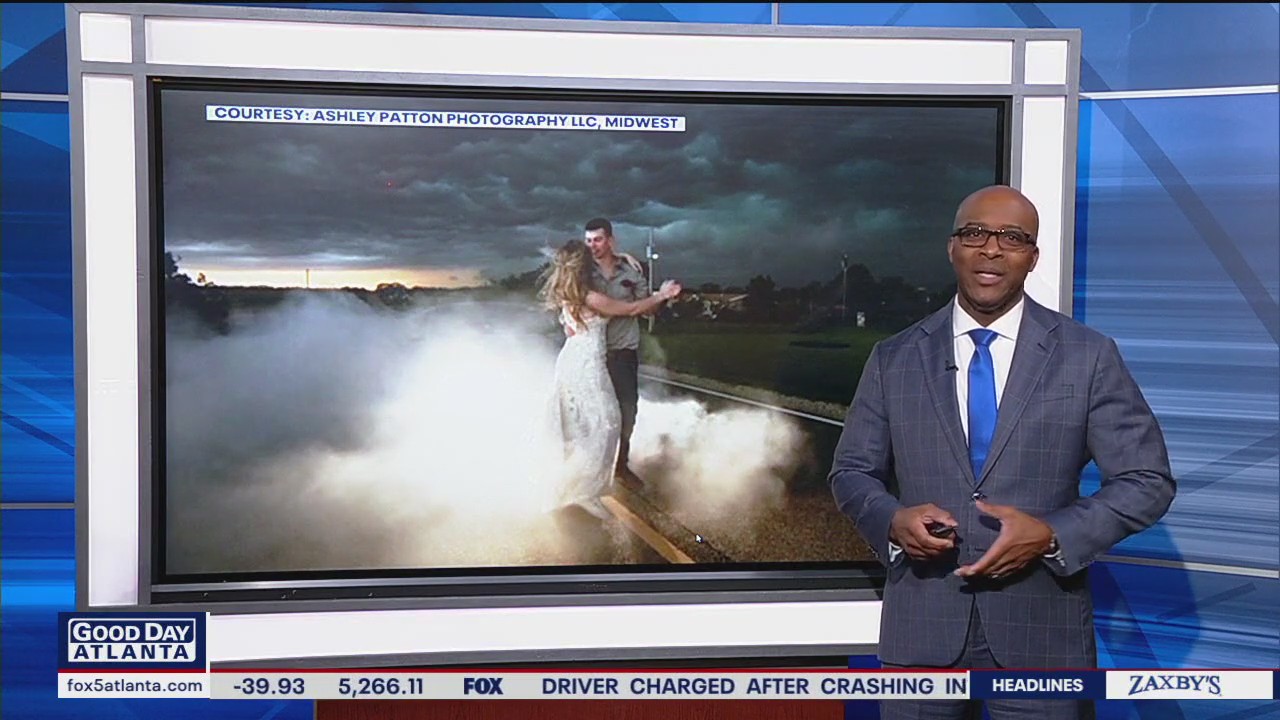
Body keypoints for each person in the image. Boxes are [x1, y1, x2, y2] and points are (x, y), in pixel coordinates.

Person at [828, 185, 1174, 720]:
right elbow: (851, 471)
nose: (991, 249)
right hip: (922, 632)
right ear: (952, 247)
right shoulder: (894, 357)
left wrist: (1054, 534)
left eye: (1012, 238)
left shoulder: (1088, 355)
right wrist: (893, 520)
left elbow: (1147, 479)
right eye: (975, 233)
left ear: (1033, 257)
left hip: (1042, 636)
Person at [540, 239, 680, 520]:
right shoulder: (590, 297)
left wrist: (624, 257)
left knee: (587, 425)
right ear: (583, 266)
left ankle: (581, 490)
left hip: (574, 360)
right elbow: (629, 310)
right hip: (586, 365)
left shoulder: (571, 292)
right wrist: (663, 294)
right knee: (606, 423)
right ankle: (582, 491)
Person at [583, 218, 659, 486]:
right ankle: (592, 467)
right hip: (594, 354)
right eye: (589, 240)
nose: (593, 245)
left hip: (624, 353)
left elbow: (647, 306)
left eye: (598, 240)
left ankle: (621, 465)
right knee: (595, 414)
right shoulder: (582, 271)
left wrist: (653, 301)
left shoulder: (630, 271)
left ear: (610, 240)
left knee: (627, 411)